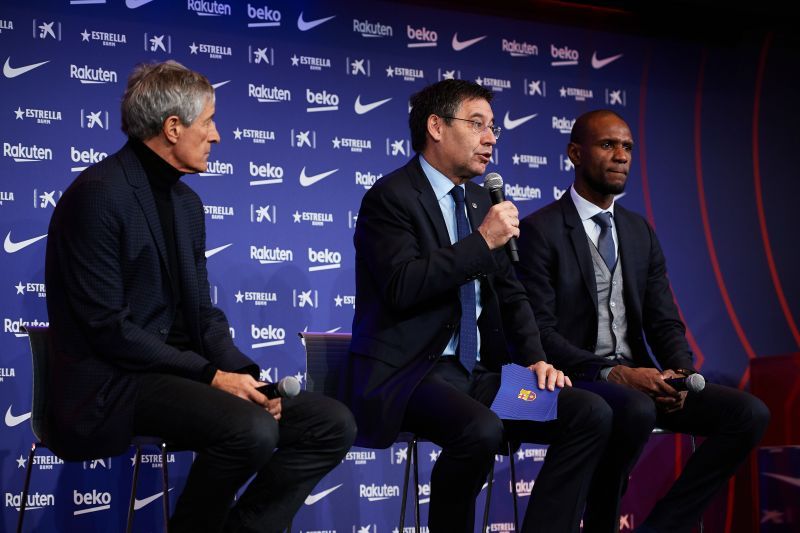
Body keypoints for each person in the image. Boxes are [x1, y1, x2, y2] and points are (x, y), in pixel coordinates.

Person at [45, 61, 356, 533]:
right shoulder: (98, 195)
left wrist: (246, 376)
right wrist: (214, 378)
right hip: (114, 382)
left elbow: (203, 315)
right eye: (208, 121)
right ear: (173, 127)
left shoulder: (187, 204)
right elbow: (110, 330)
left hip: (179, 374)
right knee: (248, 429)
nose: (217, 135)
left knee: (331, 422)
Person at [342, 79, 612, 532]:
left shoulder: (477, 200)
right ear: (436, 127)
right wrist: (482, 241)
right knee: (481, 429)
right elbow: (401, 286)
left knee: (588, 413)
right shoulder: (389, 198)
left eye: (494, 129)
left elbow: (512, 294)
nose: (490, 138)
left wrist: (536, 360)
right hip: (410, 376)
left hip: (474, 378)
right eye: (477, 124)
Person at [515, 109, 770, 533]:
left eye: (628, 147)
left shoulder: (639, 232)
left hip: (641, 380)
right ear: (575, 154)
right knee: (631, 406)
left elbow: (664, 319)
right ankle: (601, 523)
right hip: (574, 378)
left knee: (750, 414)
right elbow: (540, 334)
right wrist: (614, 372)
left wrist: (681, 374)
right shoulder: (540, 230)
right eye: (608, 145)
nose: (621, 156)